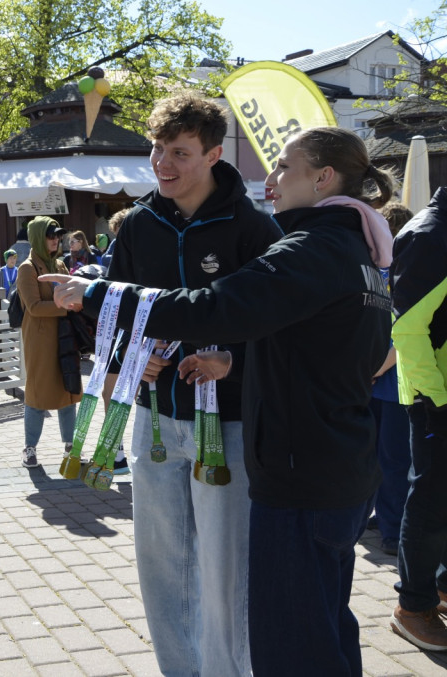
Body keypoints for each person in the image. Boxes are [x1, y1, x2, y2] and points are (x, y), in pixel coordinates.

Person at [46, 125, 395, 677]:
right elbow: (338, 350)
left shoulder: (307, 247)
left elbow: (216, 308)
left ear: (324, 177)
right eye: (157, 150)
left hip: (295, 469)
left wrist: (99, 294)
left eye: (284, 165)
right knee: (322, 628)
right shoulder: (355, 250)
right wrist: (229, 359)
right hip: (329, 466)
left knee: (288, 637)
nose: (272, 178)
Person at [68, 94, 285, 676]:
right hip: (155, 418)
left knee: (224, 568)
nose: (163, 163)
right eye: (158, 149)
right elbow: (116, 308)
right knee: (162, 564)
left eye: (180, 153)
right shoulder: (140, 223)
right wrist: (130, 357)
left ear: (213, 155)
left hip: (228, 423)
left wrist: (233, 361)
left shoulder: (254, 227)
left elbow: (279, 324)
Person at [389, 188, 447, 651]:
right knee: (430, 501)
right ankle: (412, 606)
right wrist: (437, 400)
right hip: (435, 398)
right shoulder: (430, 233)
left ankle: (440, 588)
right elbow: (407, 328)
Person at [368, 201, 414, 557]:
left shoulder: (401, 272)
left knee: (391, 459)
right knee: (383, 457)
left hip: (391, 382)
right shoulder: (382, 271)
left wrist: (374, 369)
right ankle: (384, 517)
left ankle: (394, 528)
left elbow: (402, 335)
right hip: (381, 382)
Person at [16, 216, 81, 469]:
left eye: (58, 235)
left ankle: (71, 447)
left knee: (68, 389)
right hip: (39, 340)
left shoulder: (61, 265)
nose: (56, 240)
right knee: (37, 393)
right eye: (50, 235)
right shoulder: (27, 268)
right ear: (37, 238)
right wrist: (66, 306)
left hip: (64, 335)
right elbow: (33, 307)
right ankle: (29, 448)